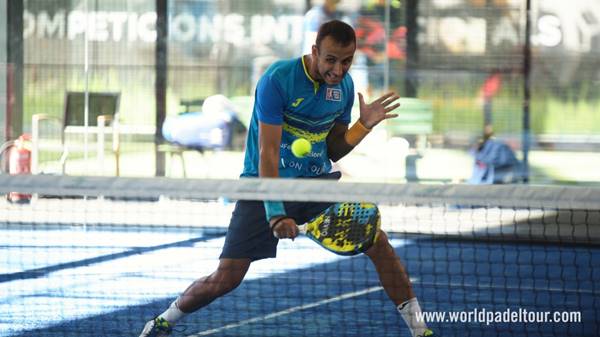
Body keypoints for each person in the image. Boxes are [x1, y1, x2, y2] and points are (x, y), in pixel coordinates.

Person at [140, 20, 436, 337]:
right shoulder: (278, 79)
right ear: (314, 52)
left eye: (346, 60)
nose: (338, 69)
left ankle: (420, 330)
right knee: (226, 278)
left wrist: (362, 126)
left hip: (314, 185)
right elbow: (267, 153)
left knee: (379, 243)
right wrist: (276, 212)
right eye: (331, 59)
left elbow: (334, 149)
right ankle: (164, 320)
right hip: (263, 186)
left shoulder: (344, 89)